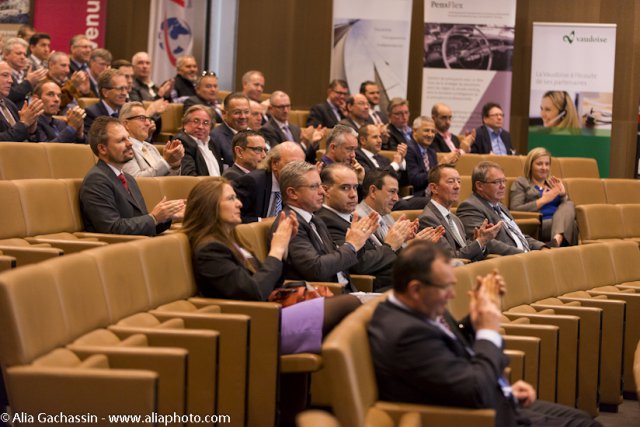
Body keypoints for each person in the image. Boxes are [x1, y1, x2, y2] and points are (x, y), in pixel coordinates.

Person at [368, 240, 601, 427]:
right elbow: (474, 391)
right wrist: (488, 330)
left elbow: (452, 355)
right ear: (415, 289)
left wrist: (475, 318)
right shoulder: (405, 334)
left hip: (493, 400)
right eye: (446, 287)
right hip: (476, 418)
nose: (452, 295)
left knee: (580, 417)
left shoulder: (419, 307)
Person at [182, 176, 361, 355]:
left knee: (354, 313)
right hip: (253, 324)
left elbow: (268, 283)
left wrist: (283, 250)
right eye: (230, 199)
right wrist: (276, 250)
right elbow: (253, 293)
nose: (239, 204)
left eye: (236, 197)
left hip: (267, 312)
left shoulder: (233, 242)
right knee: (350, 304)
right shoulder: (210, 251)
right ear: (210, 206)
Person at [272, 160, 380, 289]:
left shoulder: (315, 220)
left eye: (320, 186)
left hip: (346, 290)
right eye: (314, 187)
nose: (322, 192)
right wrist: (351, 245)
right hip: (321, 295)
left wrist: (359, 241)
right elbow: (316, 269)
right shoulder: (289, 224)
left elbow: (336, 259)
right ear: (292, 193)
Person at [79, 116, 184, 236]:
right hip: (116, 246)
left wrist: (167, 216)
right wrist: (154, 218)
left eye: (128, 138)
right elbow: (111, 228)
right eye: (121, 140)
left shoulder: (128, 178)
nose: (130, 143)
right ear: (102, 149)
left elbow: (139, 222)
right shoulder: (96, 181)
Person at [316, 164, 406, 291]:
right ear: (326, 191)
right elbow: (359, 264)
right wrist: (390, 246)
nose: (353, 194)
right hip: (372, 286)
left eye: (355, 187)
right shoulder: (326, 221)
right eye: (345, 188)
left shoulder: (352, 216)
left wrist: (402, 242)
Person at [457, 161, 547, 255]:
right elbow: (486, 242)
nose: (503, 186)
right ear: (479, 186)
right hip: (510, 260)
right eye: (497, 182)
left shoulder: (499, 205)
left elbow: (516, 235)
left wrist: (541, 247)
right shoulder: (470, 207)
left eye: (503, 181)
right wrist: (525, 255)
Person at [418, 164, 501, 261]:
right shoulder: (427, 219)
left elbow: (463, 248)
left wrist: (478, 240)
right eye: (451, 181)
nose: (457, 186)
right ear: (434, 188)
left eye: (459, 181)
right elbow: (450, 258)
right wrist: (481, 241)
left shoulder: (455, 219)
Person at [509, 148, 578, 246]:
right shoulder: (521, 182)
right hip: (541, 224)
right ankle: (558, 242)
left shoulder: (552, 184)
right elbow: (515, 209)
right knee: (572, 225)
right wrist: (543, 200)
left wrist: (563, 195)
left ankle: (556, 240)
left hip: (557, 223)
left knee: (569, 204)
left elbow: (567, 210)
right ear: (530, 165)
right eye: (539, 164)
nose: (544, 168)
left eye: (547, 164)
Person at [355, 169, 443, 245]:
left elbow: (396, 248)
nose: (396, 198)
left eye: (397, 193)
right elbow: (382, 255)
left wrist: (410, 241)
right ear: (373, 191)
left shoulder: (386, 215)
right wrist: (411, 245)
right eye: (392, 191)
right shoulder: (359, 219)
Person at [234, 141, 306, 222]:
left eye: (301, 165)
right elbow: (234, 218)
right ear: (274, 164)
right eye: (292, 165)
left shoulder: (298, 185)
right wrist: (265, 222)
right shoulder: (252, 182)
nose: (298, 171)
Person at [120, 102, 184, 177]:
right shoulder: (124, 148)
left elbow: (168, 180)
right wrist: (166, 162)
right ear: (126, 124)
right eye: (142, 118)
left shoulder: (151, 147)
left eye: (148, 119)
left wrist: (174, 165)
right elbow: (136, 179)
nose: (148, 123)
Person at [261, 90, 323, 163]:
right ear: (271, 109)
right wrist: (304, 143)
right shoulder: (267, 130)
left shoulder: (295, 128)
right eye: (281, 107)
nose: (285, 110)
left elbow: (307, 157)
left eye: (288, 106)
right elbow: (280, 156)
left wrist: (313, 143)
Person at [176, 105, 224, 177]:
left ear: (211, 127)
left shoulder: (211, 143)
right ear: (185, 123)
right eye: (196, 121)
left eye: (206, 123)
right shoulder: (182, 142)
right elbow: (189, 176)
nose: (200, 127)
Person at [0, 61, 43, 142]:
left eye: (11, 76)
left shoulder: (9, 104)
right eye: (5, 75)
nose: (11, 81)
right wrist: (24, 124)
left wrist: (30, 130)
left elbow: (28, 140)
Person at [4, 37, 47, 108]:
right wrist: (28, 82)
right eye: (18, 53)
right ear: (6, 55)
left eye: (25, 54)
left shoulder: (28, 72)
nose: (23, 57)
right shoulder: (2, 73)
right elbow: (8, 96)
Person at [212, 92, 251, 166]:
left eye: (246, 112)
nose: (243, 116)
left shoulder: (253, 134)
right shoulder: (215, 138)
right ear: (224, 114)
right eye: (237, 112)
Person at [405, 116, 439, 197]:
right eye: (426, 130)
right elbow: (415, 180)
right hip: (417, 196)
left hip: (432, 193)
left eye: (433, 131)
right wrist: (439, 166)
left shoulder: (432, 152)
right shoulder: (408, 149)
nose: (430, 135)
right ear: (415, 131)